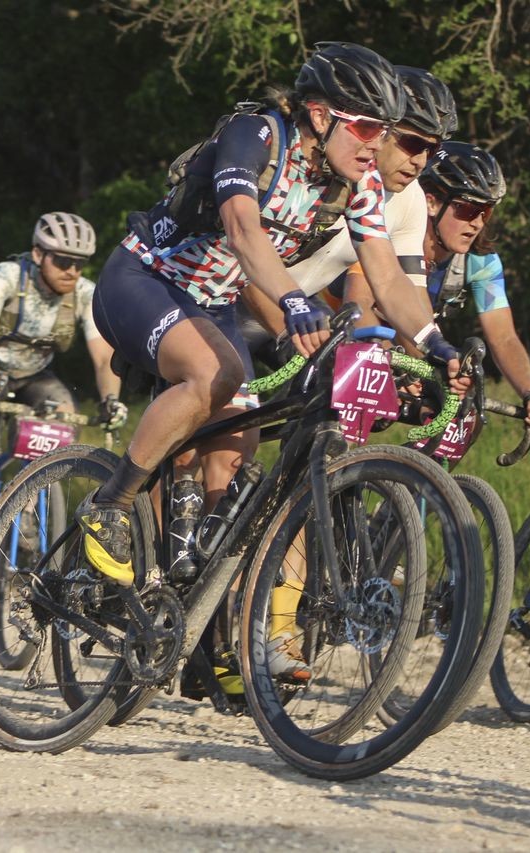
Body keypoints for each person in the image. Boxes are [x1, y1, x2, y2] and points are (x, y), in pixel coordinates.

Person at [86, 45, 467, 614]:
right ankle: (110, 505)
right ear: (320, 115)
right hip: (146, 278)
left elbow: (386, 276)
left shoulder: (357, 184)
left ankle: (196, 608)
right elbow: (242, 228)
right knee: (218, 373)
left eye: (383, 131)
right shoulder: (256, 135)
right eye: (365, 127)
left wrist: (438, 345)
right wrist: (293, 301)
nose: (374, 145)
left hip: (212, 304)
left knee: (235, 449)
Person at [0, 212, 125, 624]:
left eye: (79, 262)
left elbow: (103, 355)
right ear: (38, 254)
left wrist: (111, 400)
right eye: (62, 261)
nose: (72, 271)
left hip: (35, 376)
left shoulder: (85, 294)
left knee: (65, 413)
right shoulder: (7, 276)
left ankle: (31, 522)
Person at [237, 64, 457, 365]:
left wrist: (433, 354)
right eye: (412, 143)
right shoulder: (317, 175)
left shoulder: (408, 199)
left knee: (354, 394)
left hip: (297, 315)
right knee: (226, 399)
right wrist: (287, 335)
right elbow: (241, 259)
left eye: (431, 151)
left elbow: (399, 288)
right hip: (231, 302)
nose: (420, 163)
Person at [353, 141, 530, 437]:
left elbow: (503, 336)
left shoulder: (481, 262)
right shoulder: (388, 236)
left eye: (485, 212)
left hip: (409, 352)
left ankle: (418, 481)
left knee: (460, 419)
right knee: (350, 436)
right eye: (468, 209)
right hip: (347, 333)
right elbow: (360, 305)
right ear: (432, 202)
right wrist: (391, 362)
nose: (476, 224)